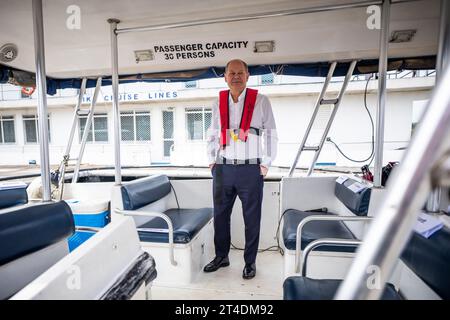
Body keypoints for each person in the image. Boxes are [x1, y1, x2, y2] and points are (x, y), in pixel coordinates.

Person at [203, 59, 278, 279]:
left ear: (247, 76)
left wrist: (265, 164)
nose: (235, 76)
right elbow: (213, 133)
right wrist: (211, 161)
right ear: (225, 77)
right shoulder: (219, 102)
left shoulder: (261, 101)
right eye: (231, 73)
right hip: (223, 168)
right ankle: (221, 257)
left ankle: (250, 262)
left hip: (250, 170)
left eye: (240, 73)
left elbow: (271, 133)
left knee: (252, 218)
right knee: (220, 216)